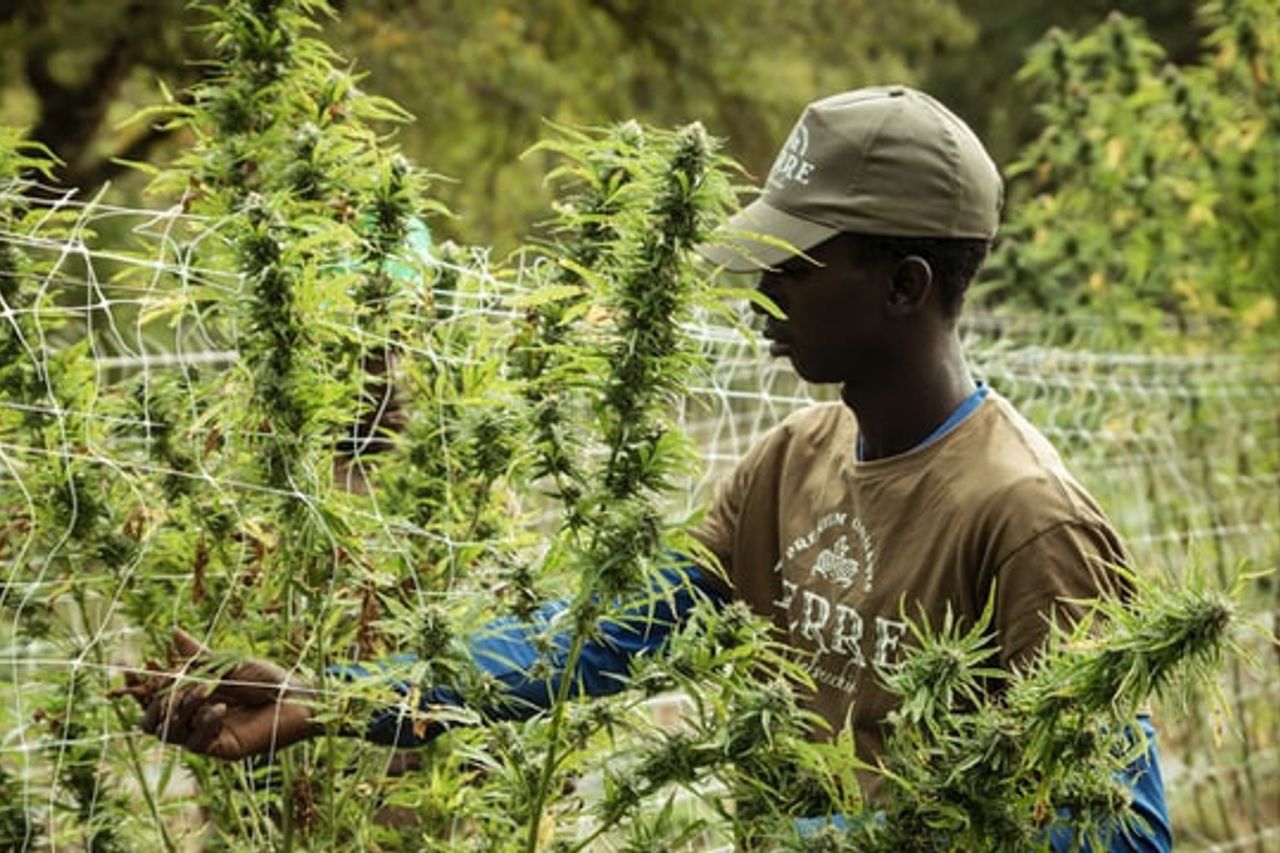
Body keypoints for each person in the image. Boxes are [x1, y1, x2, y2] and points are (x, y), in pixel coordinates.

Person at [117, 86, 1172, 849]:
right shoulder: (784, 465)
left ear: (902, 285)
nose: (758, 294)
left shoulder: (1024, 518)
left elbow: (1116, 828)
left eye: (790, 269)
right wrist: (327, 699)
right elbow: (581, 637)